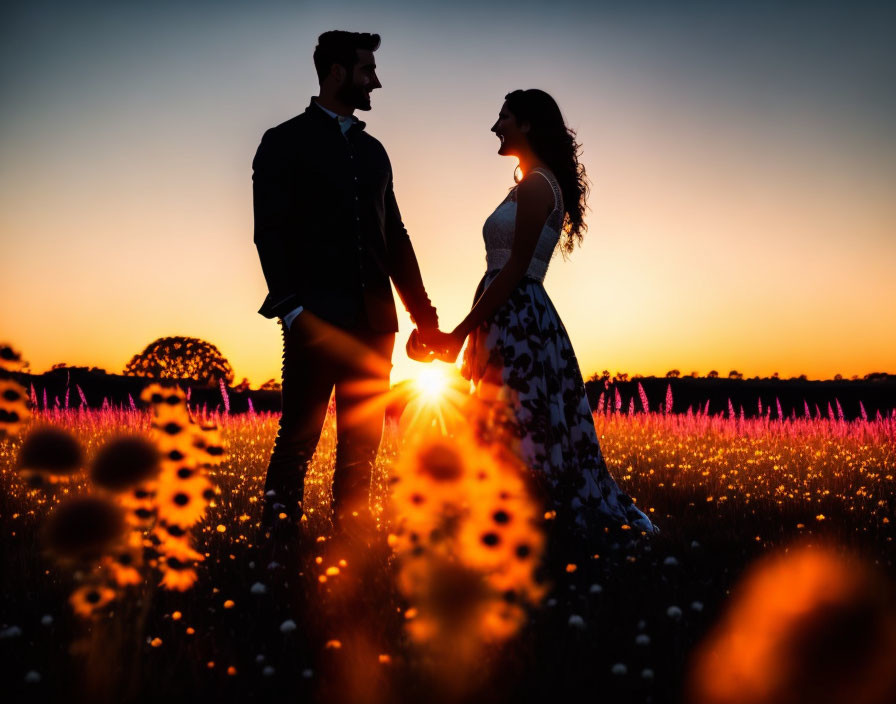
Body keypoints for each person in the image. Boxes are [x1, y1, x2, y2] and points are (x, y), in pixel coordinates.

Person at [426, 89, 658, 536]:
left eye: (504, 117)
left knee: (517, 424)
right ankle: (505, 521)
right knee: (508, 422)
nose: (496, 127)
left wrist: (458, 333)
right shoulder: (531, 182)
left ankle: (524, 525)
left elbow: (514, 269)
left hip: (518, 318)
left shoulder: (537, 186)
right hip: (509, 314)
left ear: (527, 124)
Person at [252, 31, 441, 541]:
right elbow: (268, 233)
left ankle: (351, 556)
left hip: (375, 326)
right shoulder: (282, 141)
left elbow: (394, 238)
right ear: (337, 72)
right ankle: (276, 552)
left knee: (361, 449)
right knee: (297, 442)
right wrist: (292, 310)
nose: (375, 81)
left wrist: (426, 318)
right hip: (313, 322)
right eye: (367, 71)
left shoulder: (375, 151)